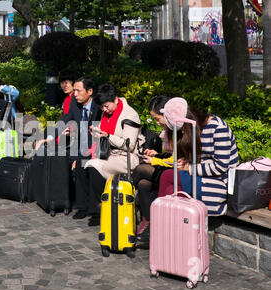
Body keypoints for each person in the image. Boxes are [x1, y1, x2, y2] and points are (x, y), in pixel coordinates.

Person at [72, 83, 142, 226]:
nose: (104, 110)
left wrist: (107, 135)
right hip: (108, 154)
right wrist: (96, 133)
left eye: (106, 106)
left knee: (93, 167)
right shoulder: (106, 113)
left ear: (116, 99)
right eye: (102, 107)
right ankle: (84, 206)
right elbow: (103, 138)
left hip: (126, 158)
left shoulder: (130, 115)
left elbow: (129, 145)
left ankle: (98, 209)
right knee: (80, 164)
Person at [158, 97, 239, 216]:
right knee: (172, 192)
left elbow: (221, 166)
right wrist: (186, 161)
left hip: (219, 184)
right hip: (202, 178)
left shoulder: (218, 128)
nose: (184, 133)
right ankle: (174, 229)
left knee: (167, 176)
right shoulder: (198, 127)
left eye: (184, 129)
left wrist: (190, 168)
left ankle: (160, 222)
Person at [132, 95, 174, 248]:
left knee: (140, 169)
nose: (157, 123)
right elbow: (170, 156)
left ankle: (126, 195)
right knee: (143, 184)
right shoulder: (169, 130)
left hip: (176, 173)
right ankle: (148, 222)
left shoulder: (178, 129)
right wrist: (157, 155)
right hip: (169, 168)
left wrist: (155, 160)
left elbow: (176, 161)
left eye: (158, 119)